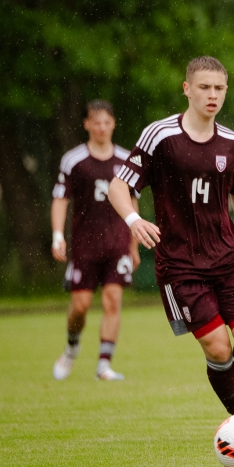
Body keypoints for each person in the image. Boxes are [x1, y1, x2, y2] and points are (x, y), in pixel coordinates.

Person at [107, 56, 234, 416]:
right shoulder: (160, 136)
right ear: (187, 89)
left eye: (219, 88)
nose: (213, 95)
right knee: (218, 348)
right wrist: (134, 219)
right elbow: (118, 187)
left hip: (227, 258)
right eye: (205, 87)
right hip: (181, 264)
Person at [51, 100, 140, 381]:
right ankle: (71, 347)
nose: (102, 127)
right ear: (87, 124)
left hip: (117, 244)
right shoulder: (74, 160)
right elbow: (60, 199)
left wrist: (134, 243)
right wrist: (57, 236)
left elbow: (132, 203)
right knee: (80, 305)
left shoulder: (126, 160)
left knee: (113, 300)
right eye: (96, 122)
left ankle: (104, 365)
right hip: (85, 245)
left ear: (113, 124)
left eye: (107, 122)